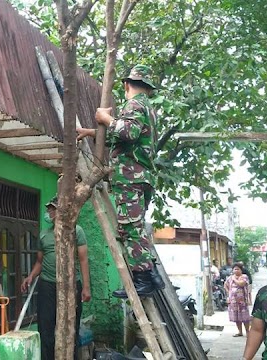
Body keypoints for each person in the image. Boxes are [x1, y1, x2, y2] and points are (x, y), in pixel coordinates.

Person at [76, 64, 164, 296]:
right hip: (140, 176)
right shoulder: (148, 109)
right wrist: (92, 132)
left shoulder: (134, 104)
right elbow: (129, 138)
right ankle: (151, 275)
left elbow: (128, 133)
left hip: (130, 176)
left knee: (130, 229)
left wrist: (106, 118)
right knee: (134, 228)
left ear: (127, 85)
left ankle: (144, 279)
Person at [21, 196, 91, 360]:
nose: (49, 212)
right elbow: (40, 261)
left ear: (62, 211)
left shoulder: (76, 231)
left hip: (71, 286)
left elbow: (83, 259)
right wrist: (30, 277)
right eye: (49, 208)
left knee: (70, 329)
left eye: (52, 208)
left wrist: (86, 287)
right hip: (47, 286)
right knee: (45, 328)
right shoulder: (44, 235)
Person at [224, 263, 251, 337]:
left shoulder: (244, 277)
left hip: (242, 300)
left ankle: (248, 332)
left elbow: (241, 284)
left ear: (241, 270)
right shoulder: (230, 278)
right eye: (235, 269)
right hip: (233, 301)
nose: (236, 270)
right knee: (236, 317)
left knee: (245, 317)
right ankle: (240, 331)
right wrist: (229, 293)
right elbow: (225, 285)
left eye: (238, 269)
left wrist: (234, 279)